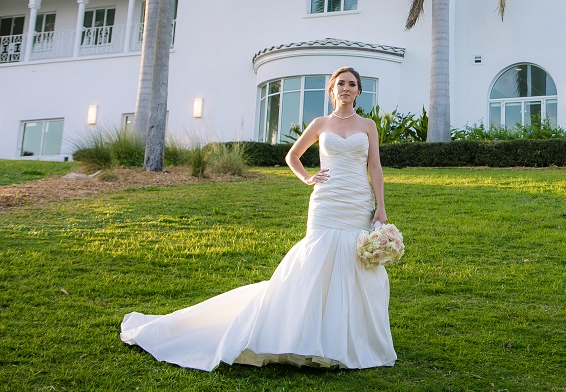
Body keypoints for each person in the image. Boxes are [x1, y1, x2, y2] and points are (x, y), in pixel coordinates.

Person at [120, 66, 396, 370]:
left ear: (359, 91)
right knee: (316, 261)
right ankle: (303, 334)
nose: (346, 88)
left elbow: (375, 168)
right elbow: (292, 156)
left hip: (357, 200)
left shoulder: (368, 125)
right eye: (340, 83)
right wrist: (307, 178)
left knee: (352, 265)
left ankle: (348, 338)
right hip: (327, 201)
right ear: (332, 90)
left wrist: (380, 207)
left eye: (352, 84)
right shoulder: (320, 123)